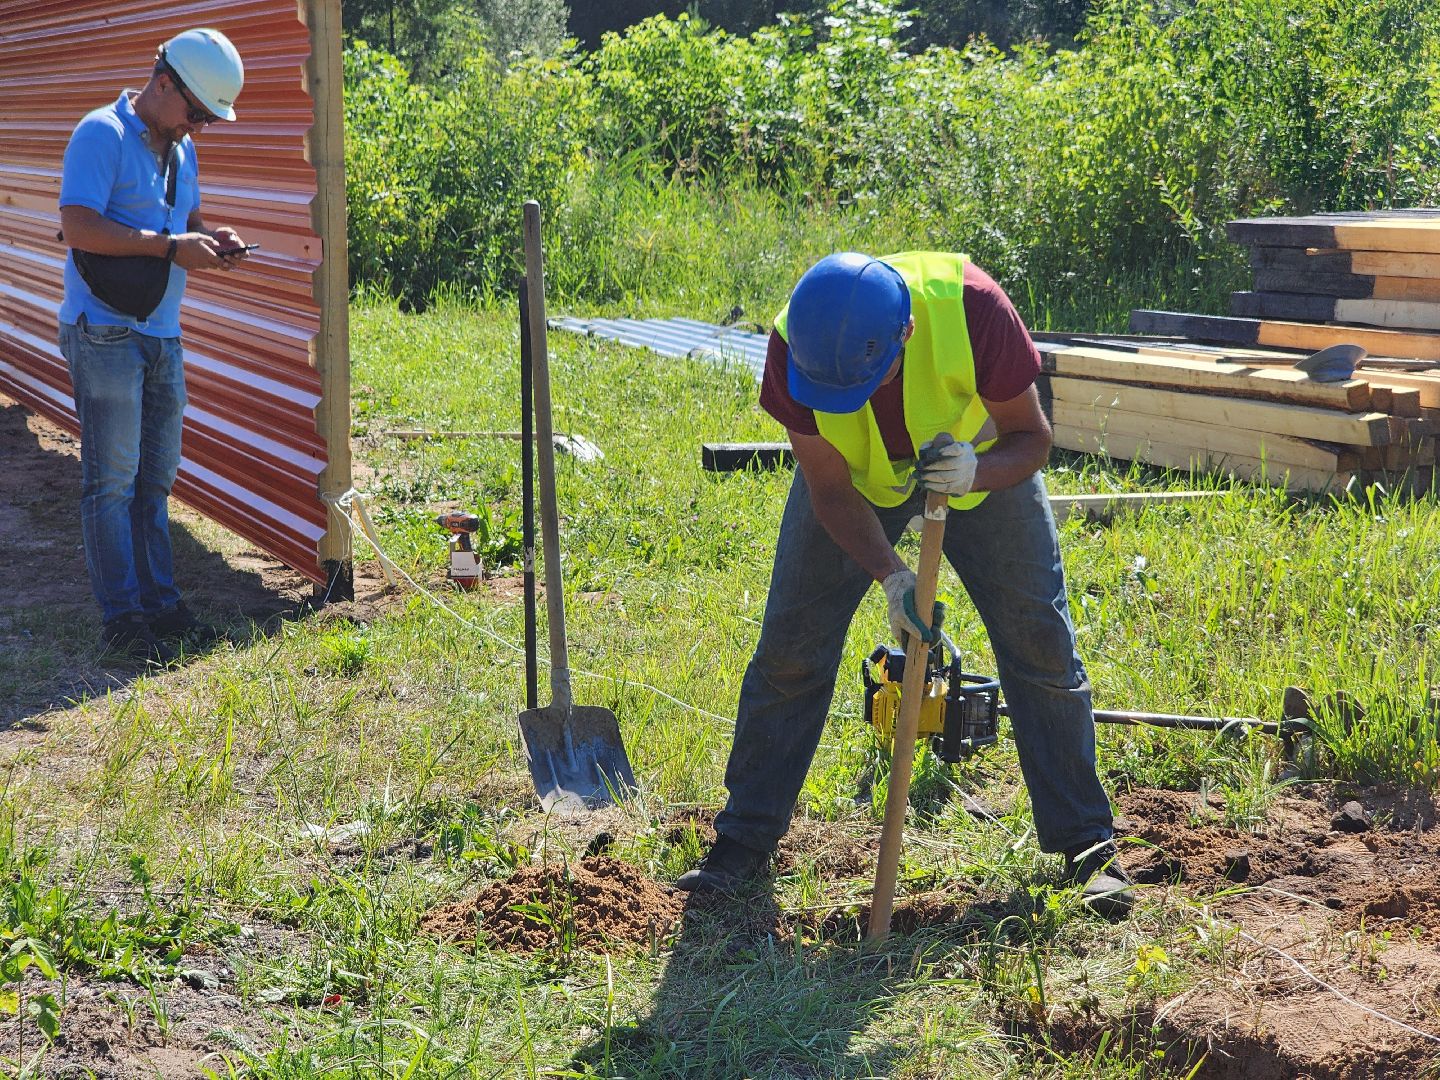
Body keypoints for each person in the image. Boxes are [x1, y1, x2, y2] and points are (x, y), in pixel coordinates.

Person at [676, 251, 1134, 917]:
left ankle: (1086, 844)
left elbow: (1032, 439)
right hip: (856, 483)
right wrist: (893, 578)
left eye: (864, 380)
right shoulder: (793, 347)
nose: (852, 397)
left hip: (977, 466)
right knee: (791, 649)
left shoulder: (975, 311)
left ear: (906, 335)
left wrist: (976, 471)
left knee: (1039, 639)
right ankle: (743, 841)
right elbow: (829, 489)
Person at [58, 28, 248, 664]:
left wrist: (212, 238)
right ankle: (123, 621)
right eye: (197, 113)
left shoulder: (181, 149)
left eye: (208, 119)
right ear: (163, 83)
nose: (200, 127)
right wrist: (169, 247)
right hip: (105, 331)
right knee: (111, 483)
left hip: (162, 332)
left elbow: (186, 223)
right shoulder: (100, 134)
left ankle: (161, 607)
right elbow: (77, 225)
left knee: (154, 481)